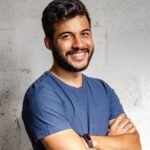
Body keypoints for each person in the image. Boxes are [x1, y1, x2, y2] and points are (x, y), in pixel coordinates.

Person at [22, 0, 141, 149]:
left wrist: (91, 142)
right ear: (49, 43)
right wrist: (113, 142)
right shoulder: (41, 95)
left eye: (84, 33)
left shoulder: (103, 90)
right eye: (66, 36)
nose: (78, 44)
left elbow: (135, 145)